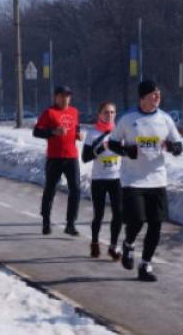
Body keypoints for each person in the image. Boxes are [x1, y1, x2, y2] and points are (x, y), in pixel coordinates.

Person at [108, 80, 183, 282]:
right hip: (133, 180)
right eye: (153, 94)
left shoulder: (165, 119)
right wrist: (127, 151)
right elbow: (113, 143)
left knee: (156, 224)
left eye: (158, 94)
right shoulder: (127, 119)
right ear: (142, 98)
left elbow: (179, 145)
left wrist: (172, 147)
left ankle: (145, 265)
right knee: (137, 219)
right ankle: (129, 243)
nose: (157, 97)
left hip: (157, 179)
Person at [33, 86, 83, 236]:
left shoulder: (74, 112)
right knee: (50, 189)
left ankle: (70, 224)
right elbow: (36, 131)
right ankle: (46, 221)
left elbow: (76, 126)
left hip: (71, 156)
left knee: (75, 189)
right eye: (62, 96)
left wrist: (78, 134)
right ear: (55, 97)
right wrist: (53, 132)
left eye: (67, 96)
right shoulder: (49, 112)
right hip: (55, 157)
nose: (65, 99)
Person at [82, 101, 122, 259]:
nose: (109, 115)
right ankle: (95, 243)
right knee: (99, 214)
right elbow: (85, 157)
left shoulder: (119, 132)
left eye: (112, 112)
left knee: (118, 214)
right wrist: (99, 149)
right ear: (100, 114)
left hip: (116, 178)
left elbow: (125, 152)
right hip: (99, 179)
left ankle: (113, 246)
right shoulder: (92, 133)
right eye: (106, 112)